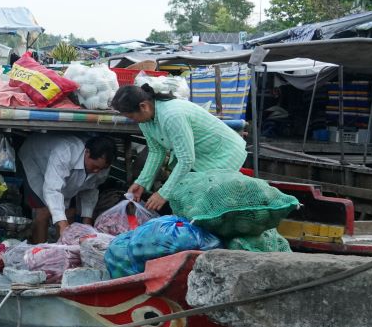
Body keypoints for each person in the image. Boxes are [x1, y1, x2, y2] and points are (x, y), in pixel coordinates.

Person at [111, 83, 247, 212]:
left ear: (143, 106)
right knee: (190, 199)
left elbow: (186, 160)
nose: (132, 120)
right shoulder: (145, 121)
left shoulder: (172, 115)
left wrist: (163, 194)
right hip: (201, 156)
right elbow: (156, 150)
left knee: (207, 202)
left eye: (131, 116)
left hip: (224, 153)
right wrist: (141, 182)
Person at [18, 134, 118, 243]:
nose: (97, 172)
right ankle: (39, 252)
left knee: (69, 213)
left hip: (62, 175)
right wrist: (62, 224)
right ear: (87, 152)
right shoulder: (65, 152)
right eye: (95, 167)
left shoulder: (102, 168)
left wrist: (87, 221)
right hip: (35, 161)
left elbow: (90, 189)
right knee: (43, 212)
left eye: (102, 169)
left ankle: (63, 251)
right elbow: (52, 190)